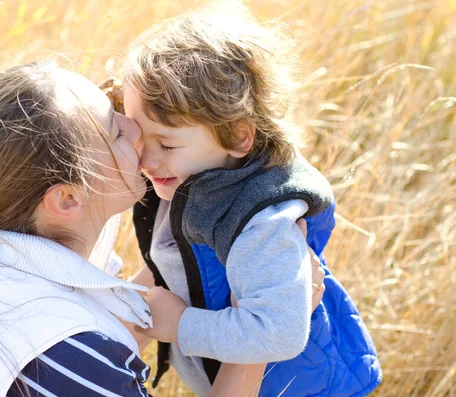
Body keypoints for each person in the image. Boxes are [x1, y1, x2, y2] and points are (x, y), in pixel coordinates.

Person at [0, 60, 325, 397]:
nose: (135, 127)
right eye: (113, 130)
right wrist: (264, 335)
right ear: (67, 199)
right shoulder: (66, 355)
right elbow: (87, 362)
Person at [122, 4, 382, 397]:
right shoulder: (188, 178)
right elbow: (170, 260)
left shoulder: (263, 223)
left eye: (168, 143)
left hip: (298, 388)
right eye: (140, 137)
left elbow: (278, 333)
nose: (147, 159)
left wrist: (179, 326)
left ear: (240, 135)